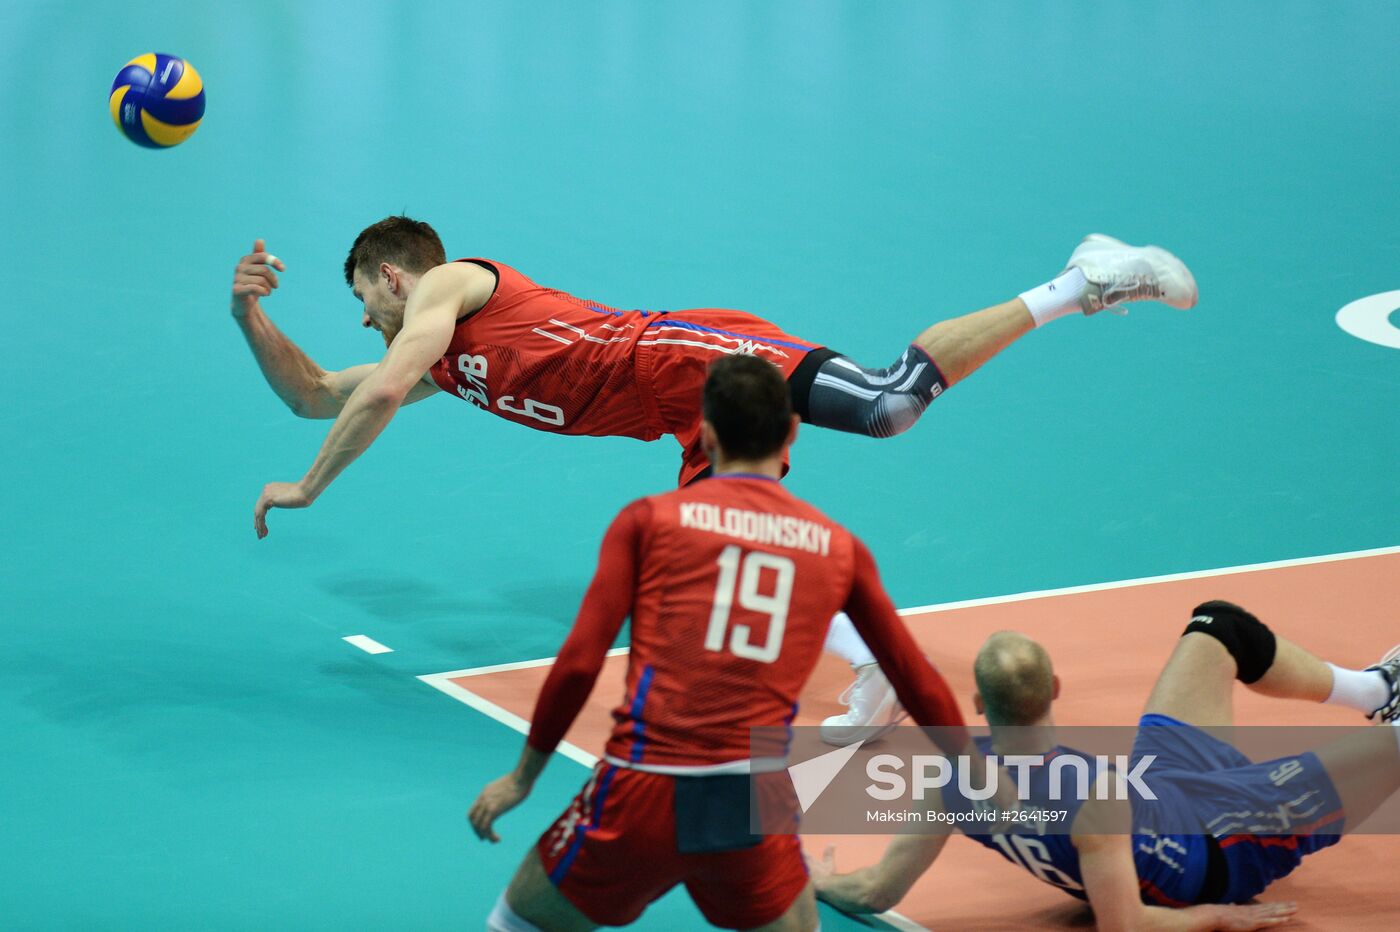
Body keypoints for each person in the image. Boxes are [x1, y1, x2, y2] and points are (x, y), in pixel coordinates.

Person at [230, 217, 1198, 739]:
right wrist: (248, 317)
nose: (360, 319)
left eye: (360, 295)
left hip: (684, 353)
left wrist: (309, 489)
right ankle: (870, 673)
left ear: (393, 276)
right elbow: (317, 393)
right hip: (673, 412)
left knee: (887, 403)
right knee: (723, 549)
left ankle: (1083, 278)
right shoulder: (445, 359)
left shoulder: (444, 291)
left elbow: (380, 389)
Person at [466, 354, 976, 931]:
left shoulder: (649, 520)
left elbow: (579, 664)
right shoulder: (836, 547)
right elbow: (914, 676)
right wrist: (974, 773)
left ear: (704, 436)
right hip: (751, 803)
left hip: (642, 789)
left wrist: (522, 778)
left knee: (518, 923)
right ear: (790, 432)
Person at [810, 603, 1400, 930]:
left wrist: (812, 879)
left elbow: (875, 888)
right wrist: (1213, 920)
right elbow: (1127, 929)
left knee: (1216, 630)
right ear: (1056, 689)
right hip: (1221, 842)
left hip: (1165, 788)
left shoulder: (950, 783)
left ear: (979, 705)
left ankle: (1376, 690)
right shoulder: (1095, 795)